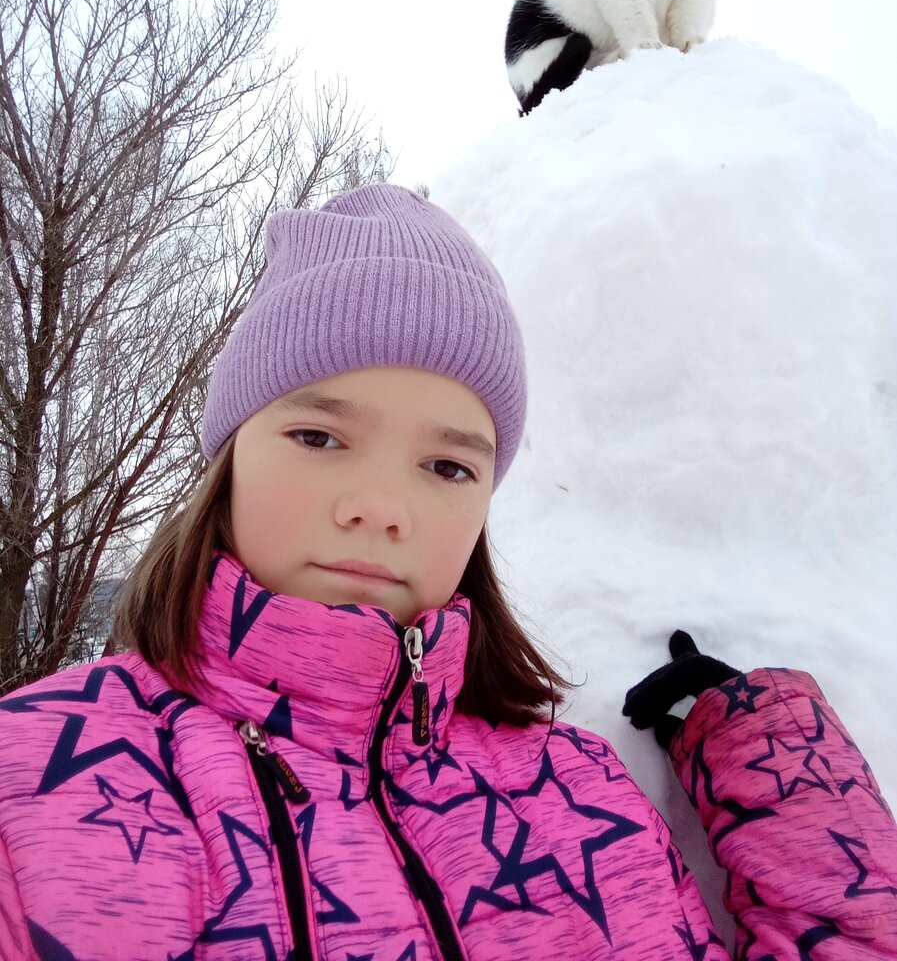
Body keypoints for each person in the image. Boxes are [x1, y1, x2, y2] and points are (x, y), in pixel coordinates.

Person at [0, 183, 895, 960]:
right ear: (228, 462)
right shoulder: (37, 775)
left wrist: (777, 761)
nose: (382, 507)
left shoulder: (578, 793)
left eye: (448, 467)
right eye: (319, 437)